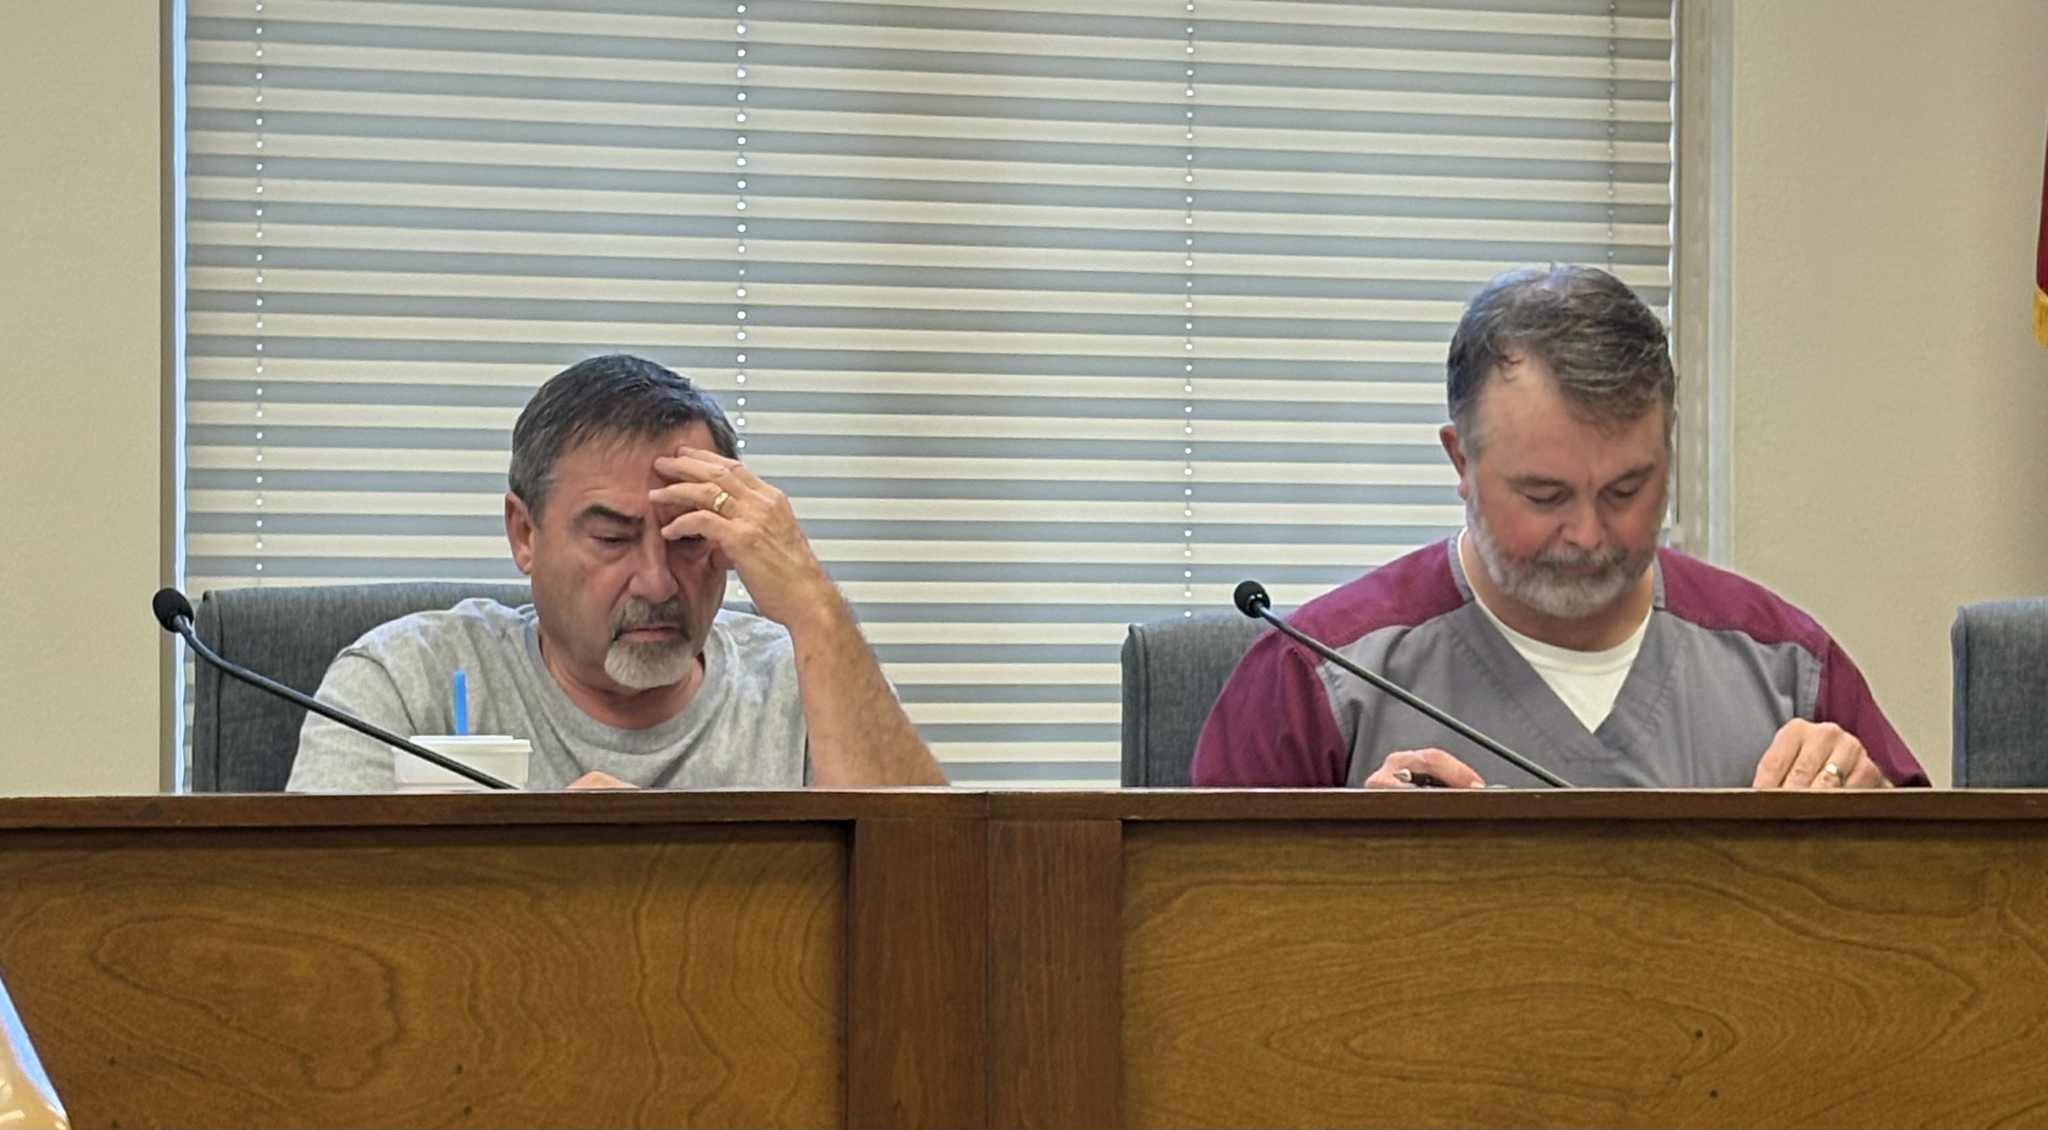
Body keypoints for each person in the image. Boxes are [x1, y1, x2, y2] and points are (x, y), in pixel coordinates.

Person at [1193, 265, 1926, 790]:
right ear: (1461, 461)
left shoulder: (1786, 668)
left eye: (1626, 490)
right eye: (1544, 496)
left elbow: (1941, 918)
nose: (1588, 535)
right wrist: (1352, 875)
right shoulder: (1317, 678)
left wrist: (1869, 831)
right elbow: (1195, 934)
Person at [289, 354, 946, 790]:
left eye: (690, 537)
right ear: (524, 533)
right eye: (612, 539)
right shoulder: (405, 684)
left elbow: (928, 903)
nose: (657, 583)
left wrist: (815, 606)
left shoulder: (803, 680)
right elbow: (318, 935)